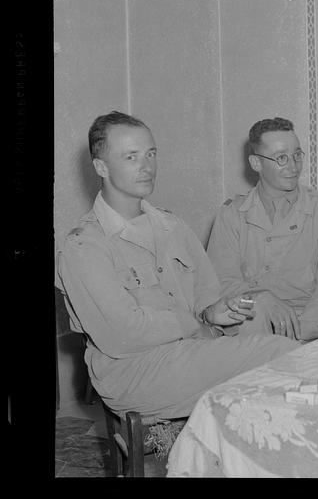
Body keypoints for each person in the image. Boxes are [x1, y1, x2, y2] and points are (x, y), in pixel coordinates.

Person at [57, 112, 298, 420]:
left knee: (261, 319)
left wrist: (214, 312)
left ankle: (250, 442)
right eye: (131, 157)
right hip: (135, 370)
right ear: (101, 167)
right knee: (279, 353)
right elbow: (123, 336)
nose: (147, 166)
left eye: (151, 154)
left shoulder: (172, 226)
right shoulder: (83, 245)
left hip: (189, 349)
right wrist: (196, 323)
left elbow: (207, 295)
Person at [206, 117, 318, 341]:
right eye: (281, 158)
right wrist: (260, 299)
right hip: (248, 327)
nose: (294, 167)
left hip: (310, 330)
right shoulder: (232, 215)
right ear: (256, 163)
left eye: (297, 155)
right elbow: (220, 282)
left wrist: (294, 334)